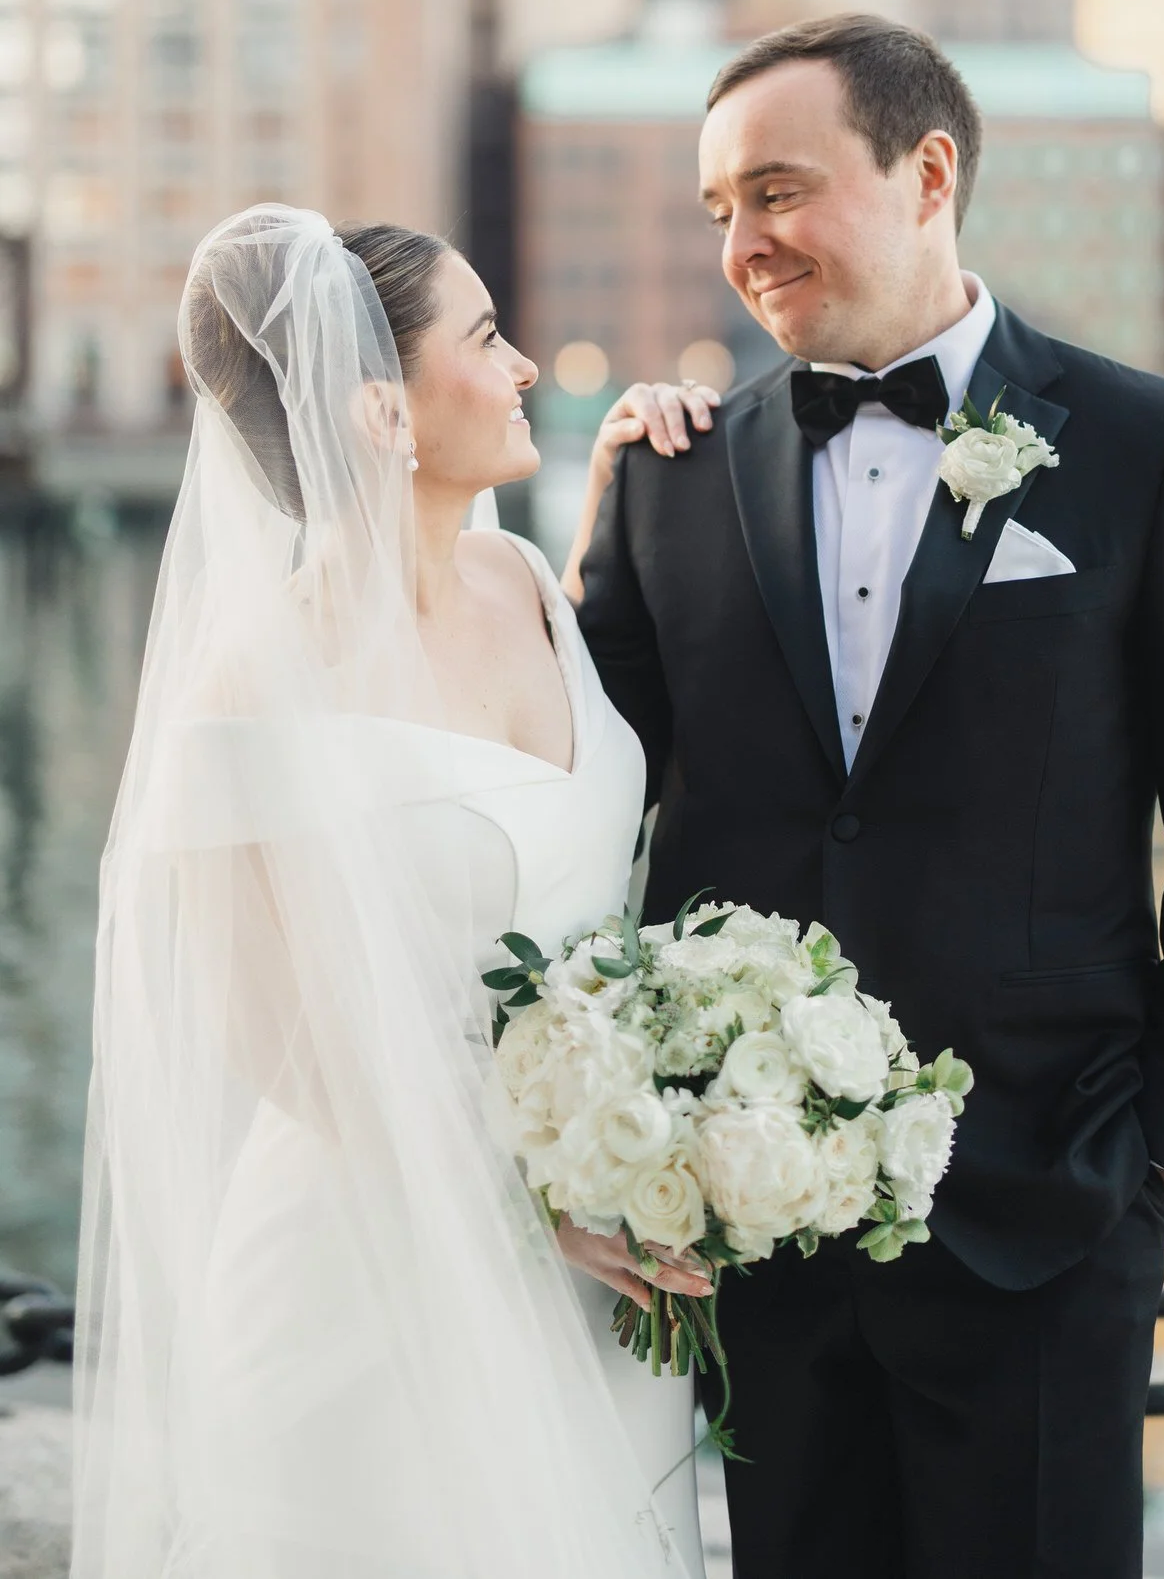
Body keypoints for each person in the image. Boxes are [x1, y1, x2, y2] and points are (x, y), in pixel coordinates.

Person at [571, 14, 1164, 1579]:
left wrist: (1162, 1150)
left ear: (927, 174)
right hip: (749, 1223)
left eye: (777, 192)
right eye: (718, 210)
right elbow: (585, 815)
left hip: (1047, 1204)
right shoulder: (665, 475)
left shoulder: (1148, 445)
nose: (744, 245)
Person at [73, 206, 709, 1579]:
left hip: (605, 1267)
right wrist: (539, 1199)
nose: (527, 364)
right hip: (371, 1284)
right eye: (486, 337)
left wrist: (631, 477)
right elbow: (276, 1048)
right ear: (379, 407)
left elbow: (587, 836)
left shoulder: (529, 574)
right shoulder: (247, 691)